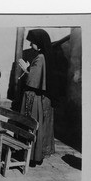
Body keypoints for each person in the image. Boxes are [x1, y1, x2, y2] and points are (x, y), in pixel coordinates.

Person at [19, 29, 55, 165]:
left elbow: (34, 81)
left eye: (32, 43)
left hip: (34, 97)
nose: (30, 46)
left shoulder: (40, 58)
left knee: (32, 124)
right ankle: (34, 155)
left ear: (38, 43)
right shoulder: (45, 56)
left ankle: (32, 156)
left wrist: (25, 70)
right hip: (41, 97)